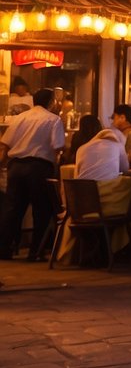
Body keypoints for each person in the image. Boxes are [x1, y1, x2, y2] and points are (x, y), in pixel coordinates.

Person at [0, 88, 64, 260]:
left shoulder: (20, 118)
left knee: (13, 209)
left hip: (16, 166)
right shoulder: (53, 119)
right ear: (51, 102)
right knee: (41, 209)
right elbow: (57, 147)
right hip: (39, 167)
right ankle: (35, 251)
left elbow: (5, 144)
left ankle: (4, 249)